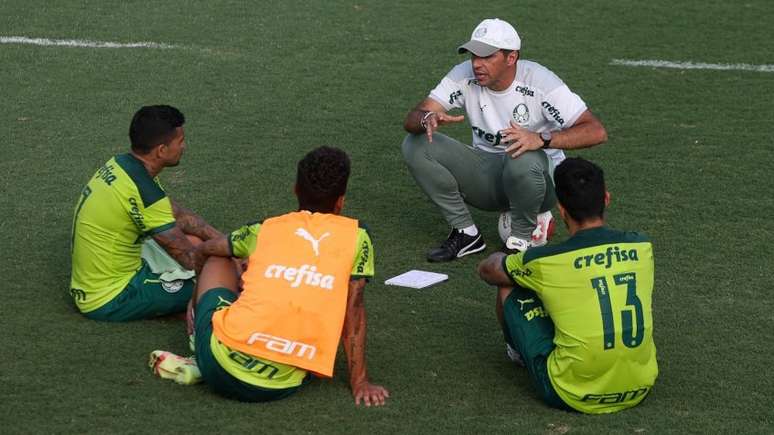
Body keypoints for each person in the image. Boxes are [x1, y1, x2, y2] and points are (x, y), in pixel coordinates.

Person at [169, 146, 389, 405]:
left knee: (221, 257)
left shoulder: (264, 229)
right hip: (280, 383)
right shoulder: (358, 237)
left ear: (295, 190)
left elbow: (205, 250)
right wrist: (360, 382)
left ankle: (198, 331)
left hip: (219, 366)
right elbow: (354, 311)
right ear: (341, 200)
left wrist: (195, 300)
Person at [401, 18, 607, 262]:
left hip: (542, 180)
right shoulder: (463, 75)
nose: (477, 64)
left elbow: (596, 131)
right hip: (489, 174)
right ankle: (466, 233)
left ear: (511, 58)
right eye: (473, 55)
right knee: (416, 144)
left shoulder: (539, 81)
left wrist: (541, 138)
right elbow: (413, 117)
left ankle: (519, 241)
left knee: (523, 153)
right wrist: (427, 118)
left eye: (487, 57)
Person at [477, 157, 657, 414]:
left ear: (561, 210)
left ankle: (518, 354)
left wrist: (510, 255)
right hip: (640, 384)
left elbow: (488, 271)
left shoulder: (547, 260)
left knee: (510, 285)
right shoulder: (642, 245)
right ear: (606, 199)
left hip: (568, 391)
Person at [70, 105, 221, 322]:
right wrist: (236, 264)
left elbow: (179, 215)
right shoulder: (144, 192)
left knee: (196, 239)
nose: (184, 146)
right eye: (180, 142)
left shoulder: (122, 165)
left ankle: (177, 305)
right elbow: (190, 259)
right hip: (110, 297)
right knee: (218, 283)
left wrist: (227, 242)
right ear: (161, 150)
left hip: (100, 275)